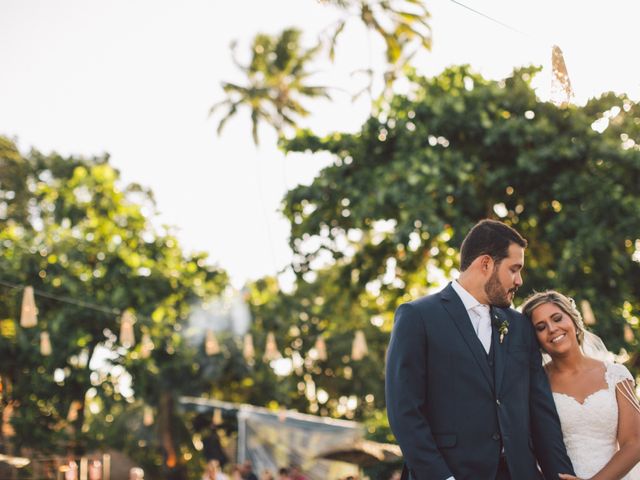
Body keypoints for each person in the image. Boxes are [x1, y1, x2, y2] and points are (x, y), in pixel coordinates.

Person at [385, 219, 575, 479]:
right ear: (486, 263)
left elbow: (541, 413)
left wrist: (561, 474)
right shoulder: (418, 317)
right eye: (514, 269)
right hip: (451, 473)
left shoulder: (519, 326)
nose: (519, 280)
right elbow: (405, 411)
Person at [522, 290, 640, 479]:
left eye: (557, 318)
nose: (552, 329)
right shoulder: (534, 385)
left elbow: (634, 443)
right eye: (541, 327)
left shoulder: (616, 375)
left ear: (574, 322)